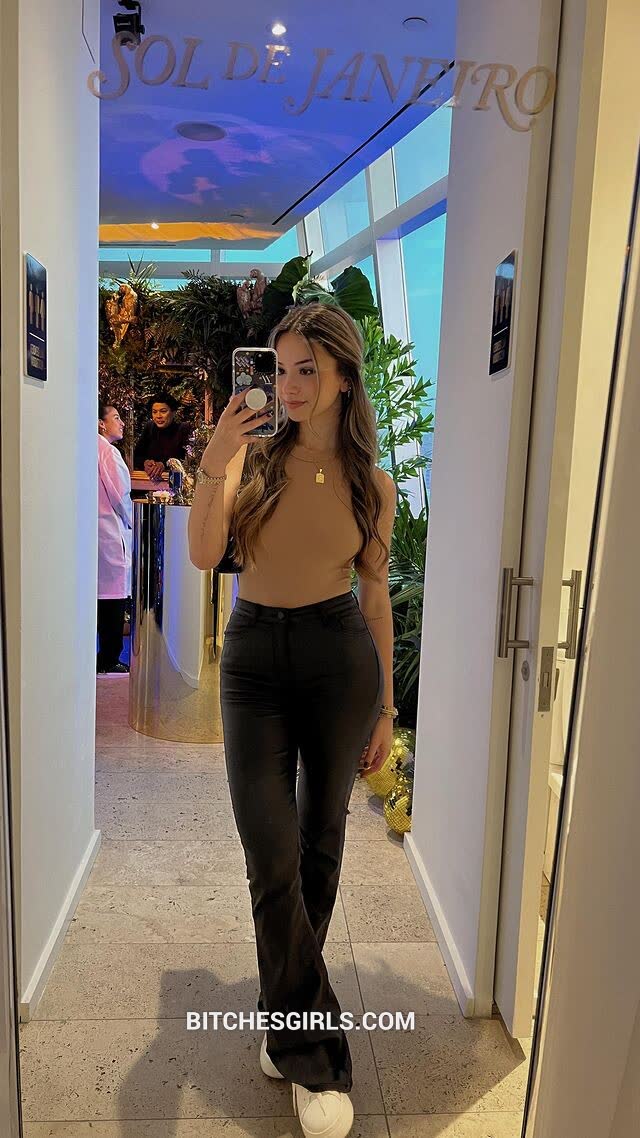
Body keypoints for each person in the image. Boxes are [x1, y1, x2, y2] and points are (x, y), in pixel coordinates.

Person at [188, 303, 397, 1138]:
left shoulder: (371, 484)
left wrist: (385, 707)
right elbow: (205, 554)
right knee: (269, 850)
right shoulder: (252, 460)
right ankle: (317, 1056)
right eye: (281, 369)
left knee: (320, 845)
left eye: (308, 368)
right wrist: (215, 463)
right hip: (253, 664)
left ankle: (286, 1018)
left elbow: (374, 599)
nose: (290, 385)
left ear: (344, 375)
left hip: (337, 657)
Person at [97, 402, 132, 674]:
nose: (121, 423)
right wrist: (132, 522)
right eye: (116, 417)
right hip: (109, 530)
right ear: (101, 423)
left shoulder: (85, 447)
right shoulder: (108, 452)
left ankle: (99, 656)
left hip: (96, 533)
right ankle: (110, 657)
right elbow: (121, 495)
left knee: (99, 596)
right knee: (112, 597)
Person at [133, 391, 193, 479]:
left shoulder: (184, 428)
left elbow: (187, 459)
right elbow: (136, 456)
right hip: (149, 480)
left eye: (163, 411)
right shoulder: (149, 427)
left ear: (173, 412)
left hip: (175, 480)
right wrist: (145, 463)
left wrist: (164, 464)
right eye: (154, 412)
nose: (158, 416)